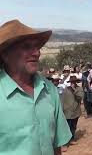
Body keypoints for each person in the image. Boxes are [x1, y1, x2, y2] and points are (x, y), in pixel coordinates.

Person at [0, 20, 71, 155]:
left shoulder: (49, 89)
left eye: (37, 47)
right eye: (27, 46)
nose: (37, 53)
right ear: (5, 54)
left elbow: (56, 145)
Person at [60, 76, 84, 152]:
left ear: (76, 82)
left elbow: (80, 97)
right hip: (67, 112)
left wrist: (74, 90)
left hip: (75, 111)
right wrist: (61, 109)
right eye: (72, 82)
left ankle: (72, 139)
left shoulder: (79, 89)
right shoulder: (66, 89)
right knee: (66, 128)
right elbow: (62, 100)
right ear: (70, 82)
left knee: (73, 127)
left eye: (74, 82)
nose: (73, 83)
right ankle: (64, 144)